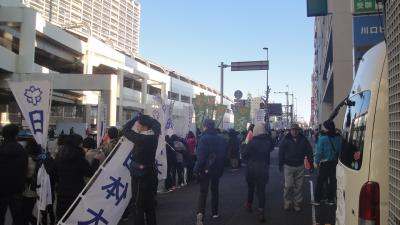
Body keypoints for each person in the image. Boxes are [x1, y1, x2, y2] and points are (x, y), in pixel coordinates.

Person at [122, 114, 161, 225]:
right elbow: (157, 124)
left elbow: (125, 129)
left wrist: (134, 118)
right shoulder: (154, 135)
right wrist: (147, 118)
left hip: (139, 176)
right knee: (150, 205)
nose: (136, 126)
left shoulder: (141, 138)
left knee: (138, 206)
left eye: (138, 124)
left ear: (144, 126)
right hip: (151, 174)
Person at [54, 134, 99, 221]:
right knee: (76, 216)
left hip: (62, 191)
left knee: (63, 216)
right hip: (77, 191)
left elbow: (54, 173)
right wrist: (96, 161)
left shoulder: (59, 156)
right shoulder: (80, 158)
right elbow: (90, 173)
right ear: (78, 144)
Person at [193, 119, 226, 225]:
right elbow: (222, 156)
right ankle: (215, 213)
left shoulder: (203, 139)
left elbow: (201, 158)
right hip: (216, 169)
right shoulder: (220, 139)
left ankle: (200, 214)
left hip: (205, 170)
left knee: (203, 192)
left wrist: (196, 170)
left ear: (206, 126)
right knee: (215, 190)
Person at [241, 123, 274, 222]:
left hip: (251, 169)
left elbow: (244, 154)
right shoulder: (268, 142)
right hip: (263, 169)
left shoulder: (252, 142)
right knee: (261, 191)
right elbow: (272, 148)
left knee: (251, 188)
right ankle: (261, 212)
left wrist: (243, 145)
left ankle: (249, 205)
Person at [279, 123, 313, 212]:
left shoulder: (303, 139)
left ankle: (297, 203)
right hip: (288, 166)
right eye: (293, 130)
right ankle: (287, 202)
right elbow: (281, 152)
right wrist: (280, 164)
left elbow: (309, 151)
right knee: (288, 185)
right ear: (290, 130)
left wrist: (311, 164)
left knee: (299, 186)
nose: (294, 131)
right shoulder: (285, 139)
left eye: (296, 130)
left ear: (299, 130)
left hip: (300, 166)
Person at [0, 124, 28, 225]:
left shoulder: (1, 149)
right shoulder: (22, 151)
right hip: (17, 189)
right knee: (17, 217)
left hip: (1, 189)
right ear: (16, 135)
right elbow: (25, 170)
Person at [312, 120, 341, 206]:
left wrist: (316, 162)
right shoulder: (338, 137)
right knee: (332, 181)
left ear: (327, 128)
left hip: (325, 163)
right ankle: (330, 199)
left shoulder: (323, 138)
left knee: (320, 181)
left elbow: (319, 152)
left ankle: (317, 199)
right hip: (335, 162)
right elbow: (339, 150)